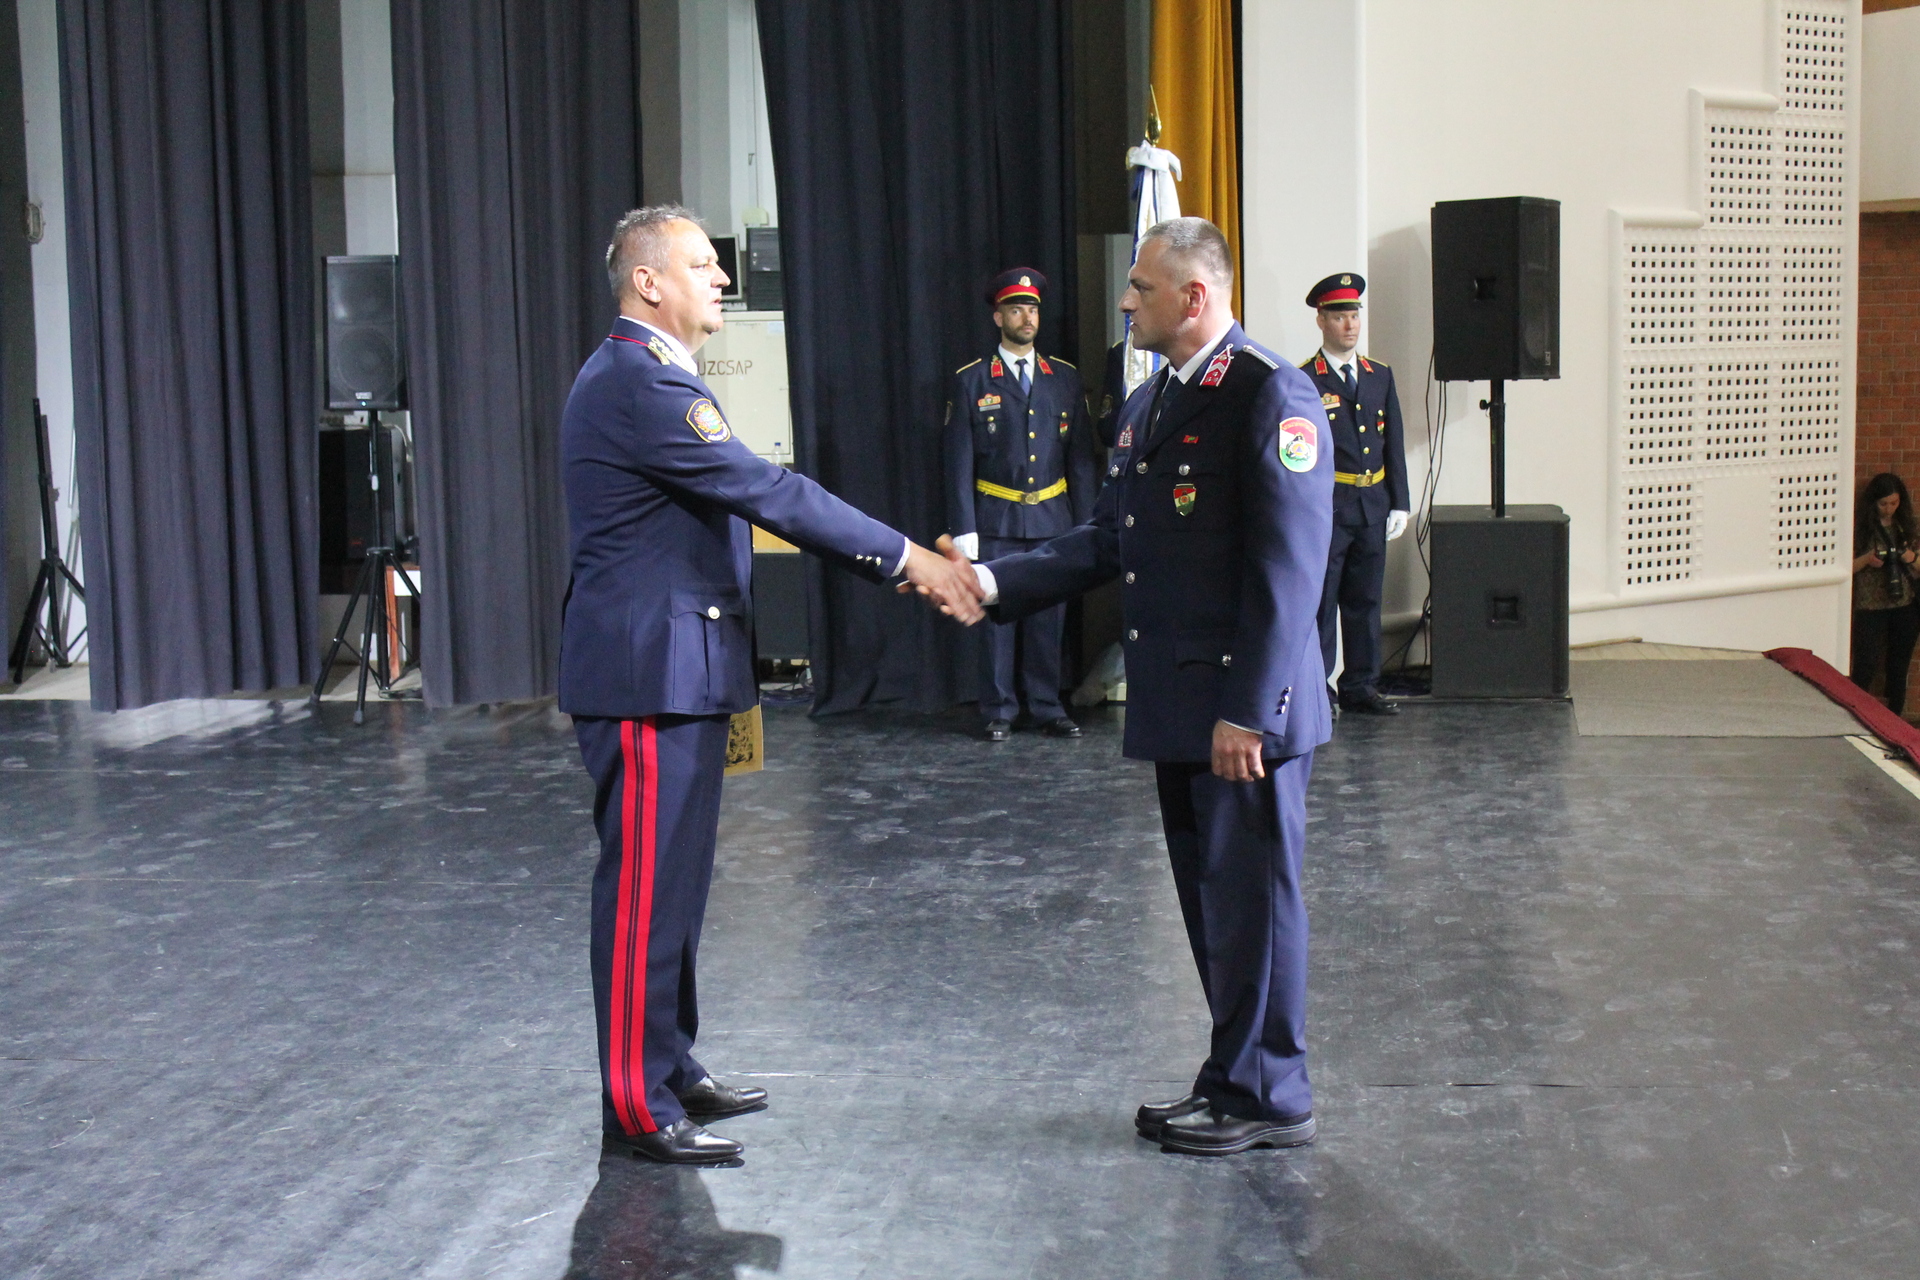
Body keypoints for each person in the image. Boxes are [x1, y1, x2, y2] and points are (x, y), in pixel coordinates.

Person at [560, 205, 982, 1165]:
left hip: (682, 671)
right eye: (700, 264)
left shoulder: (656, 374)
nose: (722, 277)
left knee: (676, 886)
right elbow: (771, 492)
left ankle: (668, 1064)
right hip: (646, 678)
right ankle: (635, 1101)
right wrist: (910, 558)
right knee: (642, 894)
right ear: (646, 283)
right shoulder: (638, 380)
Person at [973, 216, 1333, 1154]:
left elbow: (1290, 567)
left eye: (1141, 286)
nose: (1125, 300)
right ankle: (1232, 1077)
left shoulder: (1267, 392)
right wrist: (991, 585)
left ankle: (1271, 1095)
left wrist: (1250, 711)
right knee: (1217, 909)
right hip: (1184, 708)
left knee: (1255, 906)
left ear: (1194, 296)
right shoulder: (1149, 402)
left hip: (1243, 714)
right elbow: (1109, 539)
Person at [945, 268, 1098, 741]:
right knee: (997, 619)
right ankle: (999, 708)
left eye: (1032, 309)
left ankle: (1047, 705)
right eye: (1016, 309)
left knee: (1049, 620)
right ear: (998, 317)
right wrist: (964, 528)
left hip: (1053, 518)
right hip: (997, 517)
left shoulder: (1064, 378)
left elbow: (1081, 461)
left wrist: (1088, 525)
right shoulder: (972, 381)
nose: (1026, 318)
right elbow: (957, 462)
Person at [1301, 274, 1408, 718]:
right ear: (1321, 321)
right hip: (1329, 506)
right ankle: (1319, 689)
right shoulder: (1306, 379)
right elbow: (1300, 453)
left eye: (1354, 316)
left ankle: (1361, 685)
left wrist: (1399, 501)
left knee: (1365, 601)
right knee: (1322, 603)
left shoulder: (1378, 374)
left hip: (1372, 504)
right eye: (1340, 316)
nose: (1350, 325)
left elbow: (1393, 442)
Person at [1850, 472, 1920, 715]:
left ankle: (1894, 719)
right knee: (1865, 664)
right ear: (1873, 502)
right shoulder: (1860, 529)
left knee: (1898, 667)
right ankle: (1855, 716)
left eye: (1894, 503)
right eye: (1883, 504)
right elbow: (1843, 569)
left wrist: (1910, 557)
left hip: (1904, 603)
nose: (1889, 509)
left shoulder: (1906, 527)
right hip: (1870, 604)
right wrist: (1867, 559)